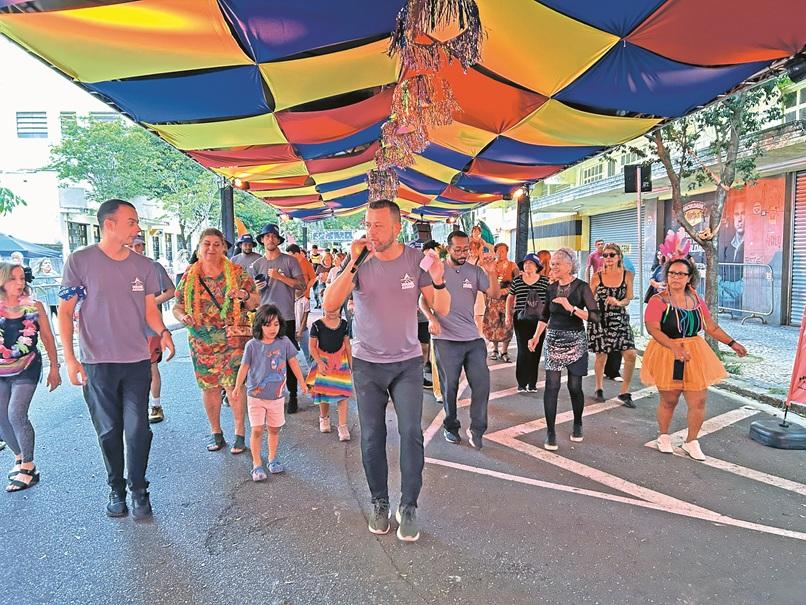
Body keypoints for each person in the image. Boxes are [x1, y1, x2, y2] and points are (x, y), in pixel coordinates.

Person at [323, 199, 450, 542]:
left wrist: (438, 281)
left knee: (411, 433)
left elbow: (442, 307)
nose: (371, 232)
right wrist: (351, 261)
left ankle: (408, 506)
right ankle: (380, 502)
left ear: (397, 227)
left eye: (378, 226)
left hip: (407, 363)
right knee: (372, 436)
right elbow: (330, 305)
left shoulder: (414, 259)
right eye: (367, 225)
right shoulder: (359, 262)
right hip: (367, 364)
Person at [58, 199, 175, 519]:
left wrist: (163, 332)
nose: (137, 228)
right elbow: (66, 314)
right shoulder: (79, 261)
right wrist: (69, 359)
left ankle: (139, 490)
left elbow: (151, 308)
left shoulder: (144, 266)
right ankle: (116, 488)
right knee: (109, 431)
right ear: (109, 225)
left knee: (138, 430)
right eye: (131, 222)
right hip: (97, 363)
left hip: (136, 360)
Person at [642, 258, 747, 461]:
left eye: (681, 274)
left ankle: (691, 441)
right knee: (669, 399)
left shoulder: (696, 299)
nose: (675, 277)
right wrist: (674, 347)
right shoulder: (659, 300)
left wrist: (732, 343)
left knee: (698, 400)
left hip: (694, 352)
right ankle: (663, 436)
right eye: (672, 273)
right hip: (667, 353)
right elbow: (652, 328)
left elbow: (710, 326)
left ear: (690, 277)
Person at [173, 228, 259, 455]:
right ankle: (216, 432)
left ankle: (240, 433)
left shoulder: (237, 272)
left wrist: (243, 295)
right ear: (199, 248)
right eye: (206, 244)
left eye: (216, 244)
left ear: (224, 248)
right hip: (202, 341)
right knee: (209, 388)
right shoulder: (190, 275)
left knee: (234, 386)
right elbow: (178, 305)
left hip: (233, 339)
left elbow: (255, 302)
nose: (211, 248)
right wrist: (183, 317)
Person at [421, 230, 498, 448]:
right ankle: (451, 426)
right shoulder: (436, 268)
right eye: (458, 249)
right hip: (445, 339)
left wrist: (491, 272)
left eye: (466, 249)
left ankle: (477, 429)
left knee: (482, 384)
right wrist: (430, 319)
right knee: (450, 387)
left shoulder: (475, 271)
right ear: (448, 248)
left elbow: (494, 293)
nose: (463, 253)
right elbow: (422, 301)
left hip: (472, 338)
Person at [528, 248, 599, 451]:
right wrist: (535, 337)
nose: (553, 266)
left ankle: (577, 422)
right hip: (553, 338)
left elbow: (595, 316)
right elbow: (544, 316)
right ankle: (550, 431)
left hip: (576, 339)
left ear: (570, 265)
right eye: (553, 263)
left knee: (575, 387)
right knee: (552, 386)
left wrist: (572, 308)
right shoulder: (550, 289)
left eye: (558, 263)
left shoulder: (581, 288)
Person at [0, 262, 60, 492]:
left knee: (16, 412)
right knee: (1, 416)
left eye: (21, 278)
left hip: (27, 366)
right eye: (13, 279)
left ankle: (29, 465)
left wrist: (55, 367)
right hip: (1, 369)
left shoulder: (35, 307)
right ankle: (18, 457)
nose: (19, 283)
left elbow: (47, 337)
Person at [233, 305, 307, 481]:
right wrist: (237, 386)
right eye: (267, 325)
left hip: (277, 397)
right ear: (259, 325)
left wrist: (302, 383)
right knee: (257, 429)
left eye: (275, 324)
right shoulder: (252, 345)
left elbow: (294, 363)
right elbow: (244, 367)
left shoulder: (284, 342)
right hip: (255, 396)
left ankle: (272, 459)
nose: (272, 329)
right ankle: (257, 464)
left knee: (274, 430)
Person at [249, 224, 305, 413]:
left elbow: (302, 286)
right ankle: (269, 395)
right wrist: (257, 287)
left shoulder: (289, 261)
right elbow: (252, 296)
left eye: (274, 236)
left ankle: (293, 394)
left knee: (289, 358)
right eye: (267, 236)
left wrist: (281, 278)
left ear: (278, 240)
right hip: (263, 317)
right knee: (264, 358)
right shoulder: (256, 265)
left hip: (285, 317)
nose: (270, 239)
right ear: (262, 240)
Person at [128, 235, 176, 423]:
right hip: (125, 329)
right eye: (131, 246)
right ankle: (134, 407)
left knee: (150, 366)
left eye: (139, 245)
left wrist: (149, 303)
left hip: (150, 327)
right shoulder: (116, 269)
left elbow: (171, 291)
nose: (135, 249)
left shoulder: (153, 267)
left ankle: (155, 405)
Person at [588, 244, 638, 407]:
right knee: (601, 355)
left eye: (612, 255)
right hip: (601, 319)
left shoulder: (628, 275)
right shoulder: (597, 276)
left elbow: (628, 298)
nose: (608, 258)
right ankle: (598, 387)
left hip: (620, 318)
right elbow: (588, 298)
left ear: (619, 257)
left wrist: (618, 302)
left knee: (630, 354)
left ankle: (624, 392)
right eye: (605, 255)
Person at [308, 304, 353, 441]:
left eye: (335, 308)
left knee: (343, 393)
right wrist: (320, 362)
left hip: (341, 362)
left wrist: (352, 365)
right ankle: (324, 417)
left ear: (340, 308)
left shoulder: (344, 324)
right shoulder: (317, 325)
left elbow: (347, 345)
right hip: (324, 362)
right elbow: (312, 347)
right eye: (329, 308)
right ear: (323, 306)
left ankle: (343, 425)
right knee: (324, 393)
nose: (332, 311)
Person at [506, 253, 550, 393]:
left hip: (540, 321)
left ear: (537, 266)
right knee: (523, 350)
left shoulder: (545, 281)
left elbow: (550, 300)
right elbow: (510, 298)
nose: (528, 266)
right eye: (525, 264)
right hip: (521, 320)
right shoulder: (517, 281)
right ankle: (521, 382)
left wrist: (550, 318)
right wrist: (508, 314)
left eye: (531, 263)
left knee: (536, 350)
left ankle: (532, 383)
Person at [484, 243, 517, 362]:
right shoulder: (491, 265)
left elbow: (517, 282)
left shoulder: (513, 266)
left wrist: (507, 290)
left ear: (507, 252)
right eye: (498, 251)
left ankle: (505, 351)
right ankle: (495, 349)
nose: (501, 253)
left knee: (507, 325)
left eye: (503, 251)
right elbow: (485, 282)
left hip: (507, 300)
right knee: (493, 325)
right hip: (493, 300)